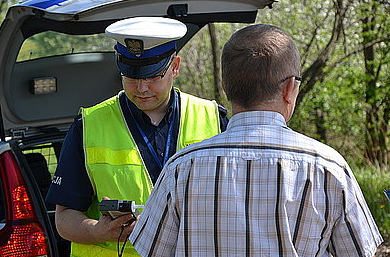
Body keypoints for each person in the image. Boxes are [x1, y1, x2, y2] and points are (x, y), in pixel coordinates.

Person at [129, 24, 383, 256]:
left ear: (225, 86)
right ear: (289, 89)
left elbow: (152, 252)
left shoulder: (181, 168)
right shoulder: (329, 169)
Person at [46, 17, 228, 257]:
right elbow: (64, 218)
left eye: (154, 77)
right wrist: (99, 231)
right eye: (132, 77)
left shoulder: (213, 118)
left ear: (175, 66)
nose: (142, 88)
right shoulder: (89, 124)